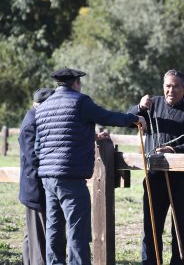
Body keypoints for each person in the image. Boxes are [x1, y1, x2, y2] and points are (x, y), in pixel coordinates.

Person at [35, 67, 146, 265]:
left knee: (54, 228)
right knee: (77, 230)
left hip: (48, 177)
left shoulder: (43, 106)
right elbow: (107, 117)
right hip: (71, 176)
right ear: (76, 82)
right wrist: (134, 119)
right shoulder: (80, 101)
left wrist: (89, 137)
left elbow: (40, 145)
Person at [128, 69, 184, 264]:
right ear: (163, 87)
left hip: (183, 180)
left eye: (176, 86)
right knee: (151, 225)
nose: (171, 90)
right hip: (154, 176)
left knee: (182, 227)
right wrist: (139, 107)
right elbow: (128, 119)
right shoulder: (152, 105)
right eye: (168, 86)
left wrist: (172, 149)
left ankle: (177, 262)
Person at [19, 88, 55, 265]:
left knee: (31, 235)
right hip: (35, 188)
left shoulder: (33, 118)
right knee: (39, 237)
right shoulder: (32, 124)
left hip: (33, 188)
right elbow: (34, 159)